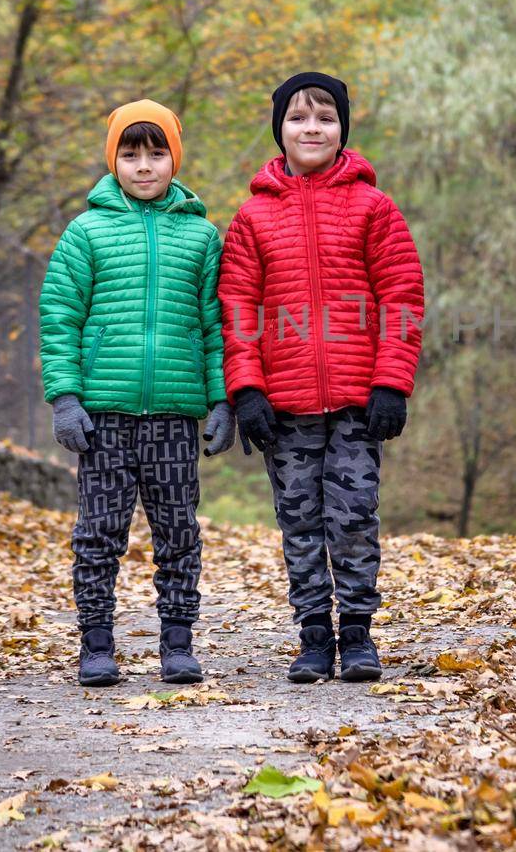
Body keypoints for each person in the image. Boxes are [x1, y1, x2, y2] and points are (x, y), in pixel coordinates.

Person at [219, 71, 424, 683]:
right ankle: (313, 636)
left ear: (342, 129)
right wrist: (247, 390)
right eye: (299, 118)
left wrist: (392, 382)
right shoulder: (252, 218)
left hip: (359, 401)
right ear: (280, 129)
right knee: (300, 521)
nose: (312, 128)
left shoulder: (374, 207)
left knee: (354, 518)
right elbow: (236, 309)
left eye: (325, 117)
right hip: (284, 407)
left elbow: (402, 296)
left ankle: (358, 633)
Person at [39, 98, 235, 687]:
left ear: (174, 159)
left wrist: (222, 398)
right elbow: (59, 316)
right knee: (98, 532)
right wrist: (65, 397)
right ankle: (96, 646)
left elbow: (215, 324)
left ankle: (177, 644)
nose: (144, 166)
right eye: (131, 153)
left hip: (175, 414)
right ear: (113, 159)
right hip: (104, 414)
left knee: (178, 530)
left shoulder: (202, 237)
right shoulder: (87, 231)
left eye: (156, 153)